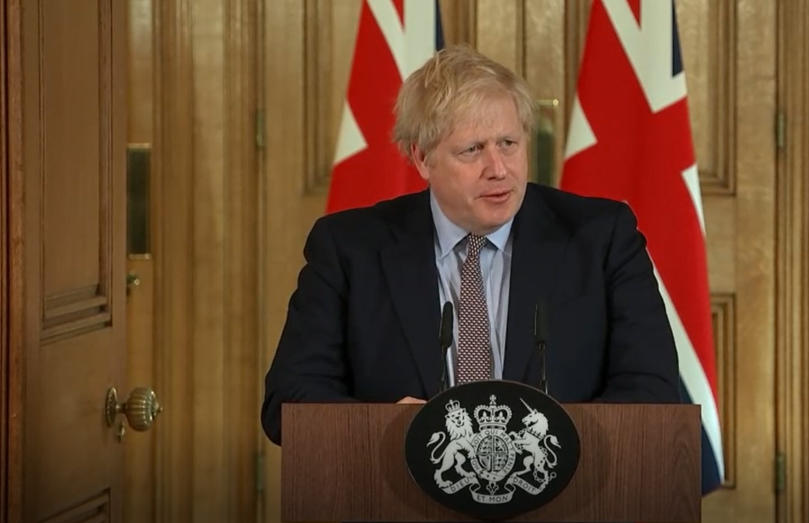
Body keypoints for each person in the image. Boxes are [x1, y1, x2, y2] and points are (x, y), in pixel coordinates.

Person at [261, 45, 679, 445]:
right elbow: (290, 400)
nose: (498, 169)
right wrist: (381, 428)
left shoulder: (601, 237)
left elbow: (653, 391)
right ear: (422, 158)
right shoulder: (350, 249)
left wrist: (545, 443)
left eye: (508, 144)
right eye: (473, 150)